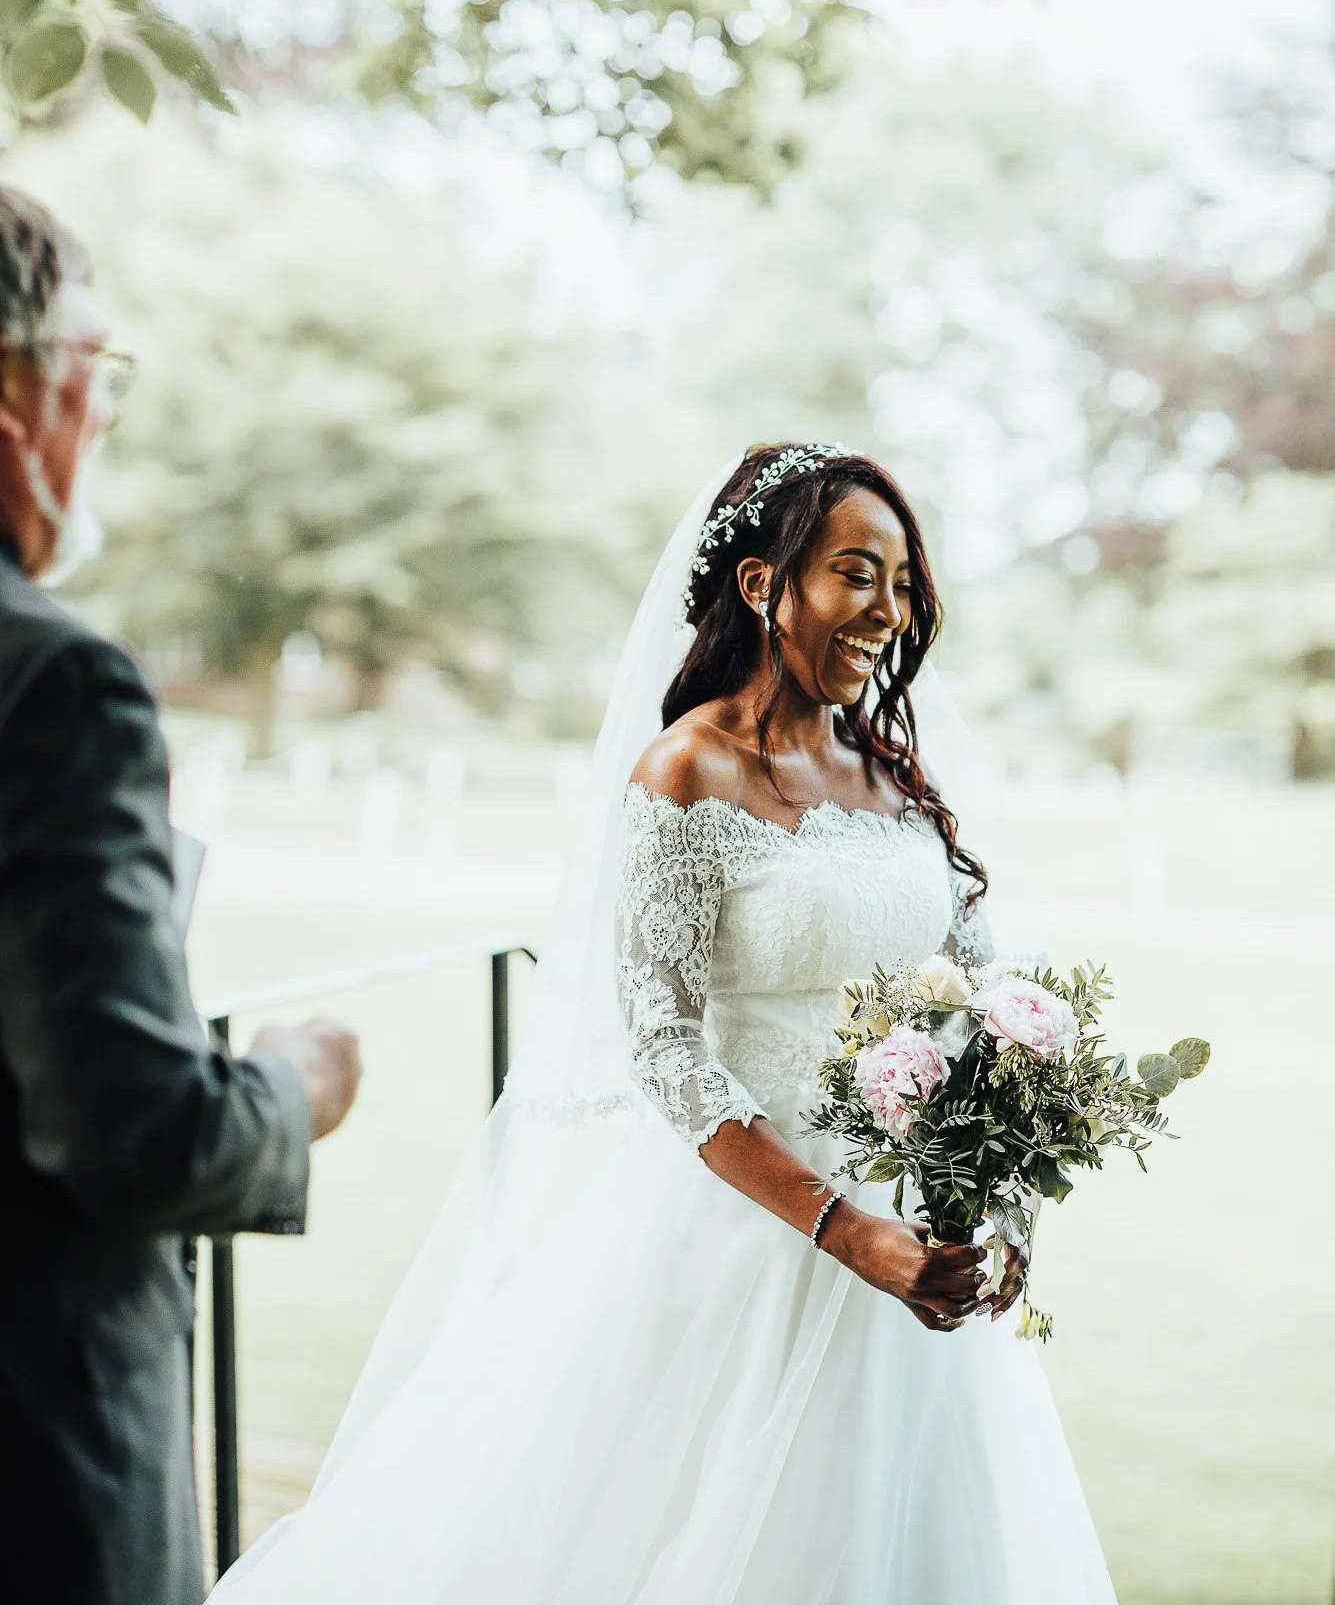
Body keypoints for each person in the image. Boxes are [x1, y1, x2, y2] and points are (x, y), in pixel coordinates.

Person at [214, 440, 1117, 1603]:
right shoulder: (685, 773)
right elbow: (667, 1046)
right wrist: (852, 1234)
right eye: (856, 571)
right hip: (745, 1237)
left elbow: (983, 996)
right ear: (762, 584)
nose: (888, 609)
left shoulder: (895, 772)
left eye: (902, 579)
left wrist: (995, 1206)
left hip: (918, 1242)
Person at [0, 186, 363, 1605]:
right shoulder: (50, 687)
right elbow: (135, 1130)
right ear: (21, 393)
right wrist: (288, 1090)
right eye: (94, 377)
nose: (99, 423)